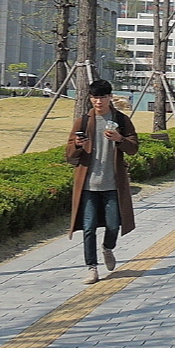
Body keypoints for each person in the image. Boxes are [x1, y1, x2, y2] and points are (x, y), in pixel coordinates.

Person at [67, 79, 140, 285]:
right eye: (95, 97)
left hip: (112, 184)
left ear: (110, 97)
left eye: (102, 97)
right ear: (90, 98)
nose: (98, 101)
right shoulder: (83, 122)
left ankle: (108, 248)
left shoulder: (121, 120)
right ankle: (92, 268)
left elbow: (133, 148)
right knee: (88, 228)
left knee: (113, 225)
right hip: (88, 185)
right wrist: (77, 145)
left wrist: (119, 139)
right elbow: (69, 155)